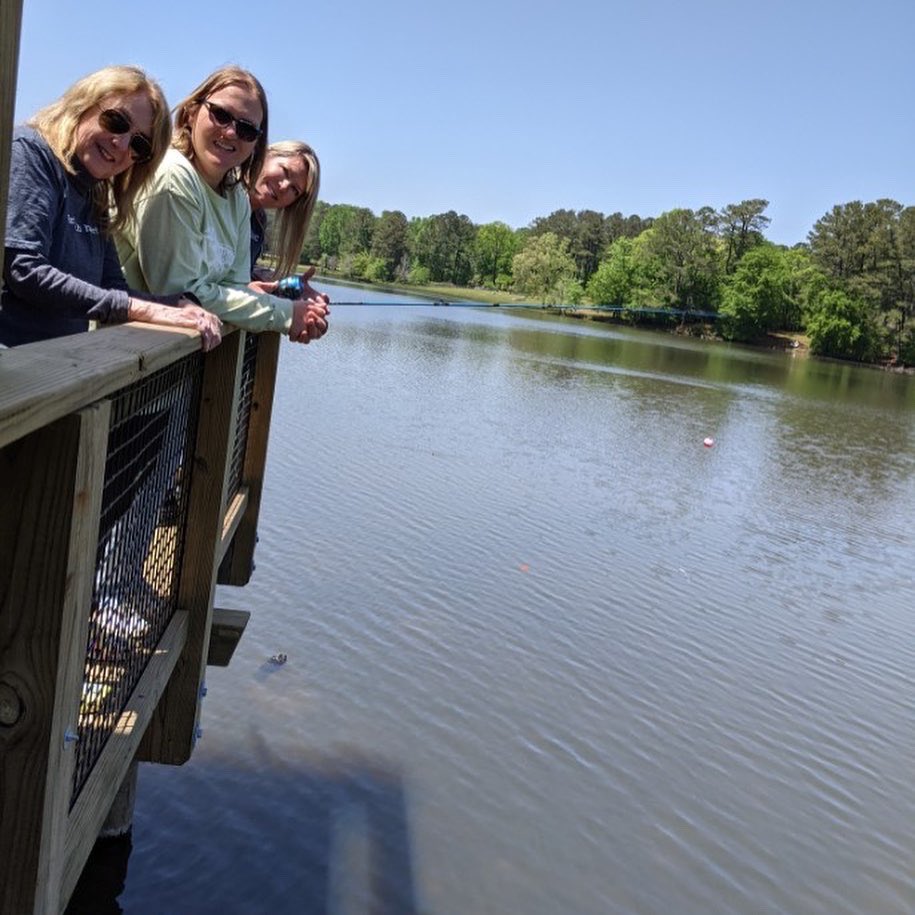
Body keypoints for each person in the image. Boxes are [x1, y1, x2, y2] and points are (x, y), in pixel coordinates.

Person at [0, 65, 222, 350]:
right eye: (116, 121)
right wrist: (145, 310)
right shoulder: (32, 154)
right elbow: (24, 271)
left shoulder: (95, 190)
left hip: (56, 365)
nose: (121, 143)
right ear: (84, 105)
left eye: (139, 144)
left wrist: (179, 304)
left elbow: (113, 288)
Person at [116, 67, 329, 344]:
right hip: (119, 350)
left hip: (170, 358)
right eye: (222, 115)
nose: (231, 133)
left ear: (256, 143)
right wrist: (287, 314)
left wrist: (297, 310)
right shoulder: (173, 176)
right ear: (192, 112)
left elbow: (235, 287)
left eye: (247, 129)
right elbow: (179, 291)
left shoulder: (236, 198)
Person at [247, 141, 327, 307]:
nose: (284, 187)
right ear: (266, 155)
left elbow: (239, 272)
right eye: (284, 171)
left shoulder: (259, 222)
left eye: (294, 190)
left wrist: (285, 285)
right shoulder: (220, 193)